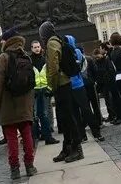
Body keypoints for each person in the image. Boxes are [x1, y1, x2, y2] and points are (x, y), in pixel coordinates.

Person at [0, 27, 38, 180]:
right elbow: (32, 82)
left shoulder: (3, 57)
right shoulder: (26, 56)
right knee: (27, 135)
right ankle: (30, 166)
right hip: (25, 103)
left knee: (11, 138)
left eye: (3, 40)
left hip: (8, 104)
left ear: (8, 40)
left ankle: (15, 169)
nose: (2, 42)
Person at [40, 21, 84, 163]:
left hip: (61, 84)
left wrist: (51, 87)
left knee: (69, 118)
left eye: (41, 34)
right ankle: (67, 147)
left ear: (44, 34)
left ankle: (77, 149)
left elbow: (53, 68)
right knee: (64, 119)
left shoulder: (51, 44)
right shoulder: (56, 41)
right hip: (64, 83)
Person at [28, 41, 58, 145]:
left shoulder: (45, 59)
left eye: (38, 47)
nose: (37, 49)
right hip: (35, 90)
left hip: (44, 89)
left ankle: (48, 137)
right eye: (35, 47)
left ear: (40, 47)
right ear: (31, 49)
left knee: (44, 114)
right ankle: (35, 136)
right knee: (35, 115)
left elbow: (50, 74)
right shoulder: (29, 61)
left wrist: (49, 88)